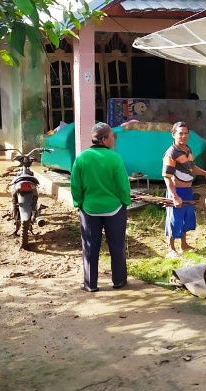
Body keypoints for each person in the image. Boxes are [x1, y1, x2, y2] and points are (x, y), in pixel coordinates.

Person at [70, 122, 132, 292]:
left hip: (89, 209)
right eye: (112, 136)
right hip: (114, 209)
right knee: (117, 246)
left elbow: (75, 185)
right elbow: (123, 186)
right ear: (104, 139)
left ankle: (90, 283)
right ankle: (119, 280)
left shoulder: (82, 158)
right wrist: (125, 202)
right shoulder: (114, 158)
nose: (114, 139)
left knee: (90, 246)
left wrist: (79, 203)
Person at [162, 121, 206, 258]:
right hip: (176, 191)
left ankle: (184, 245)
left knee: (185, 218)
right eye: (180, 133)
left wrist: (205, 173)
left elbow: (192, 167)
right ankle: (171, 248)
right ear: (173, 135)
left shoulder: (187, 150)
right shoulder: (171, 153)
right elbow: (167, 177)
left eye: (186, 133)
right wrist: (174, 196)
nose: (183, 136)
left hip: (187, 191)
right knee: (174, 219)